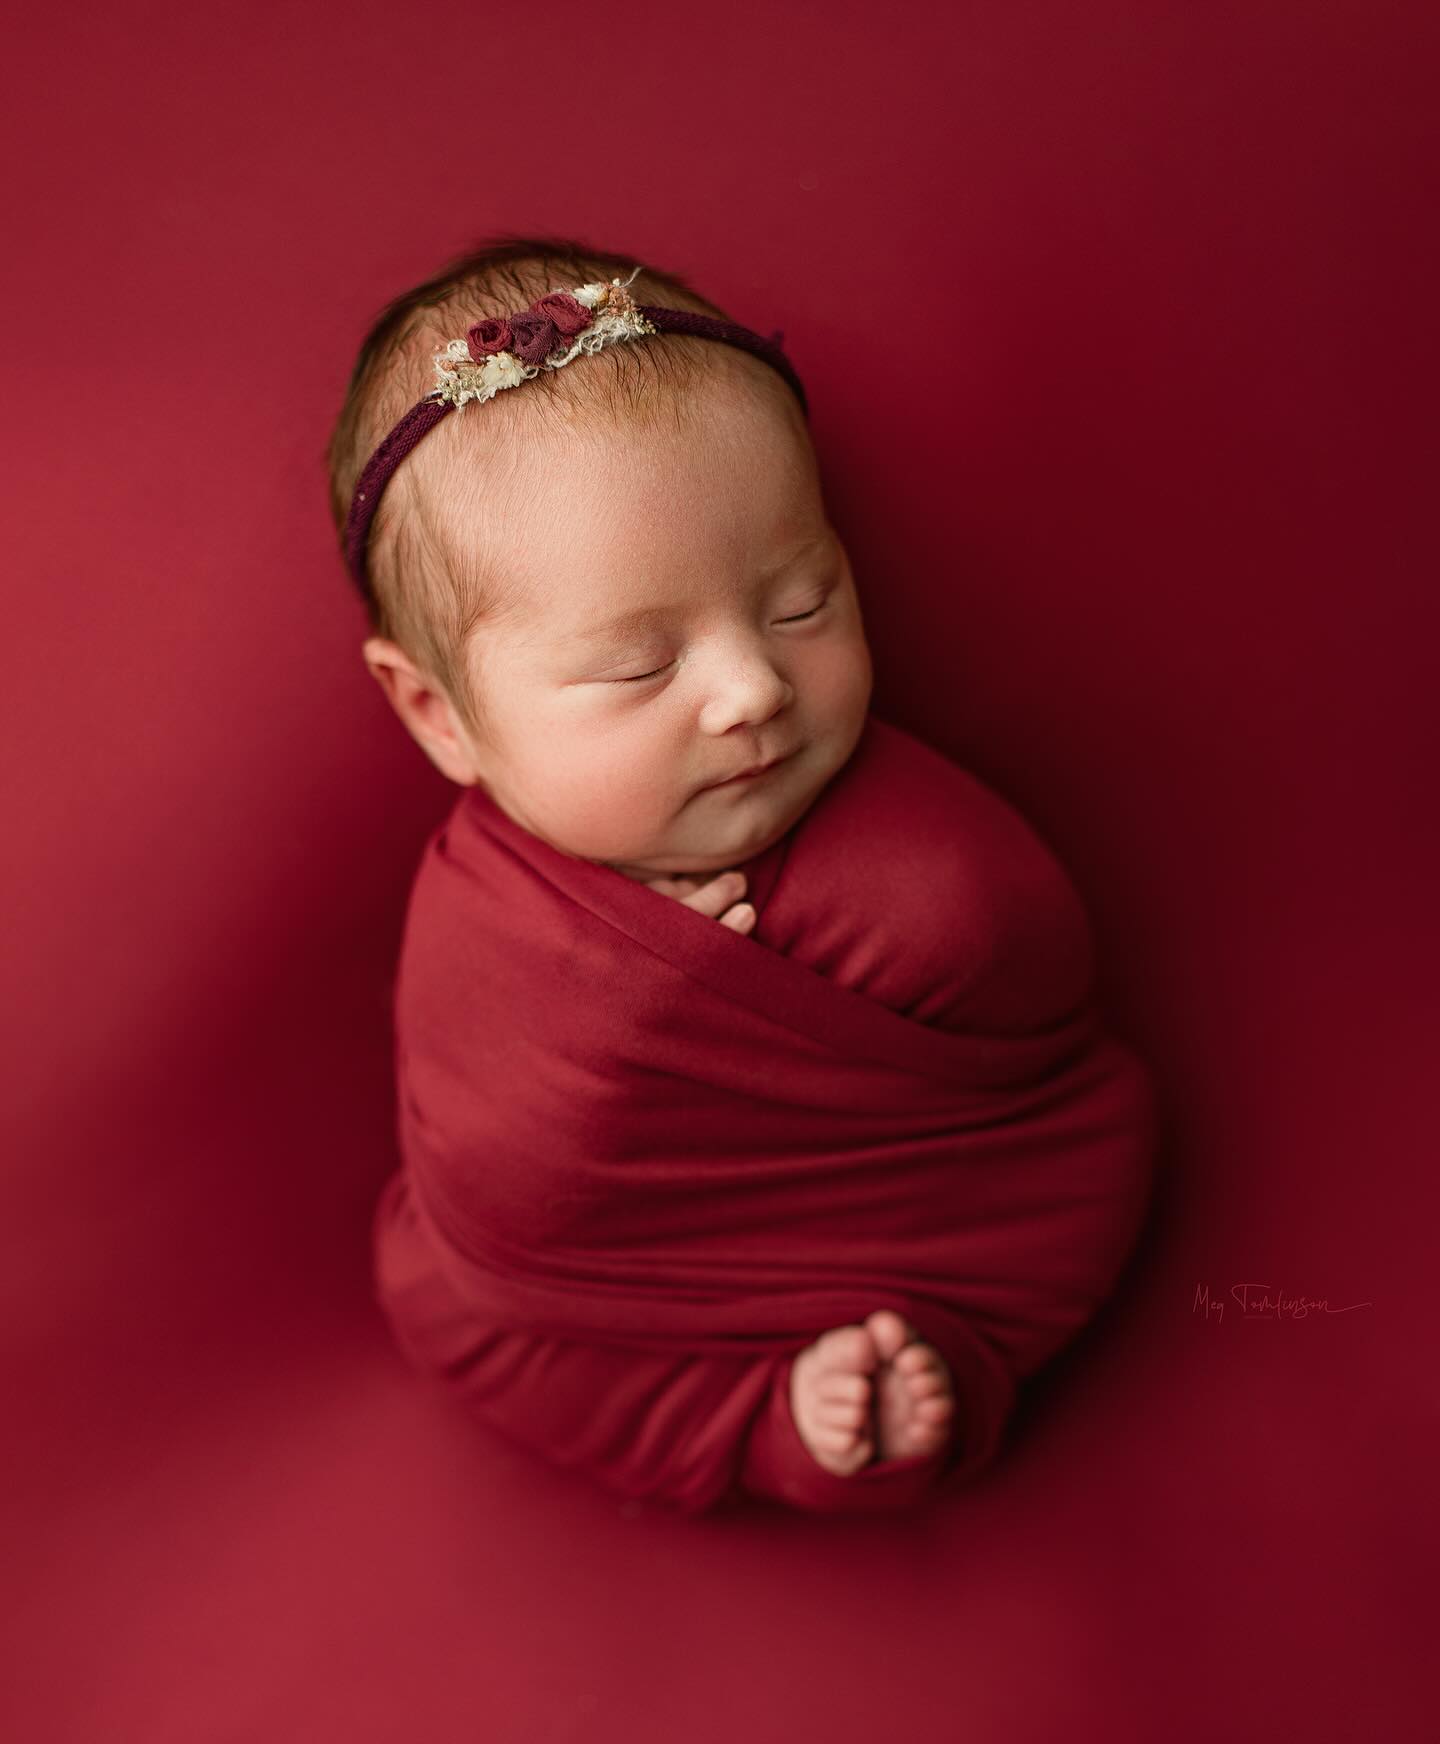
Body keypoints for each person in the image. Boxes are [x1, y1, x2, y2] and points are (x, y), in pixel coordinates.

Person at [326, 234, 1158, 1514]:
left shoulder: (911, 852)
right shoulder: (482, 902)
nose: (754, 689)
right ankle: (765, 1425)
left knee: (1103, 1163)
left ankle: (893, 1381)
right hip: (602, 1294)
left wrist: (924, 925)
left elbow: (1039, 981)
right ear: (439, 713)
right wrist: (625, 1012)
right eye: (640, 667)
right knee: (441, 1297)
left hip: (933, 1215)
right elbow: (497, 1179)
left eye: (802, 604)